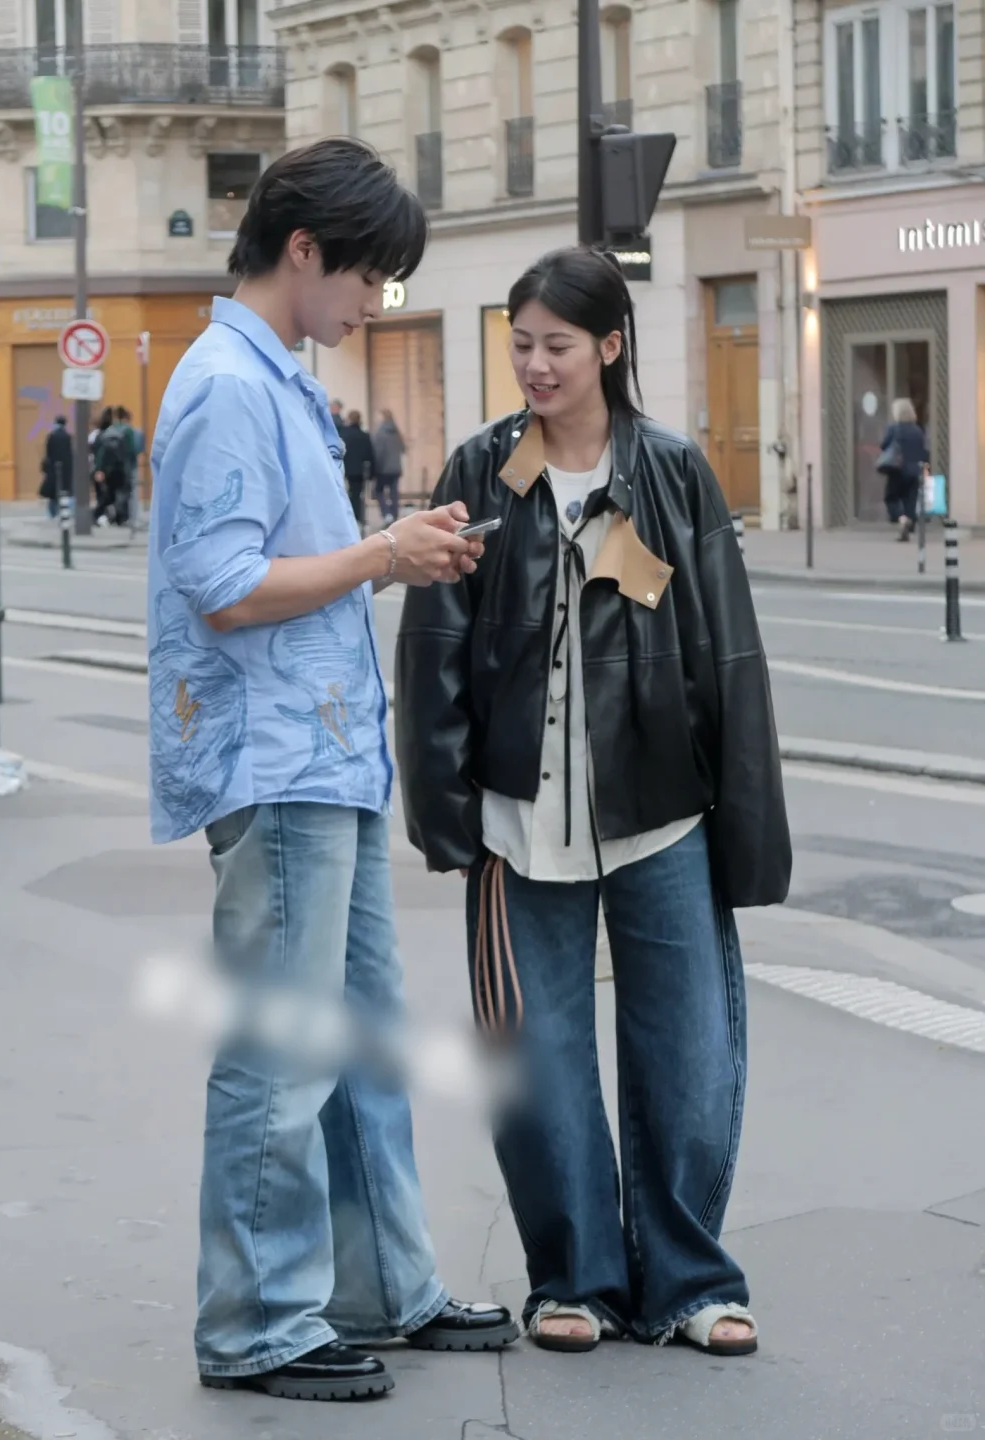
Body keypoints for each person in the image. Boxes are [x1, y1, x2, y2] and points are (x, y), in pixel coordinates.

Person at [146, 137, 517, 1405]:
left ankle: (376, 1287)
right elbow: (226, 586)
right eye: (369, 280)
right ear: (303, 252)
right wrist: (382, 558)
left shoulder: (277, 377)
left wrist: (394, 550)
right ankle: (256, 1317)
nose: (378, 305)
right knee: (286, 1047)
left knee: (358, 1041)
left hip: (326, 754)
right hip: (278, 754)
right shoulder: (226, 385)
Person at [395, 246, 791, 1360]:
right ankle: (573, 1277)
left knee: (688, 1053)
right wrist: (448, 817)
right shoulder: (481, 474)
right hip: (520, 826)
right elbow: (433, 654)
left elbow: (729, 656)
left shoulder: (672, 473)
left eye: (557, 346)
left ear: (611, 347)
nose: (534, 366)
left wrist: (746, 823)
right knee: (538, 1054)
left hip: (663, 811)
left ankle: (689, 1281)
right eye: (520, 345)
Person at [879, 398, 929, 541]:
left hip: (897, 469)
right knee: (910, 501)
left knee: (891, 497)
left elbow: (884, 445)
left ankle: (902, 520)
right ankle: (908, 526)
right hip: (915, 471)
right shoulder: (918, 430)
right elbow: (923, 451)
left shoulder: (893, 428)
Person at [337, 408, 375, 532]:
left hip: (347, 469)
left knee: (348, 493)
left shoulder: (344, 435)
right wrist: (372, 472)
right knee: (358, 493)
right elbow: (370, 454)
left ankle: (350, 516)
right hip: (361, 470)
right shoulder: (364, 436)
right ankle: (358, 516)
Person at [92, 406, 130, 528]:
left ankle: (100, 516)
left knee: (104, 495)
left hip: (105, 470)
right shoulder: (120, 435)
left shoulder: (100, 436)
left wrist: (98, 469)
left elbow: (98, 454)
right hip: (119, 470)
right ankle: (119, 517)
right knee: (119, 494)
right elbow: (126, 453)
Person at [372, 408, 405, 524]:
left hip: (383, 468)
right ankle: (394, 514)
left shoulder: (381, 433)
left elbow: (378, 452)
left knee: (378, 491)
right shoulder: (397, 433)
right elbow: (403, 449)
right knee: (393, 492)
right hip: (396, 468)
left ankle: (386, 513)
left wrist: (375, 467)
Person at [114, 406, 146, 527]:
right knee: (132, 493)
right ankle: (132, 518)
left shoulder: (112, 430)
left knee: (118, 493)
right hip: (130, 467)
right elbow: (136, 449)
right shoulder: (133, 432)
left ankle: (119, 518)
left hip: (115, 468)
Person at [40, 415, 73, 520]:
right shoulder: (67, 436)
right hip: (66, 469)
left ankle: (52, 513)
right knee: (64, 492)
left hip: (53, 469)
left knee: (53, 493)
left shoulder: (52, 436)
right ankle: (63, 513)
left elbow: (48, 453)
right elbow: (70, 453)